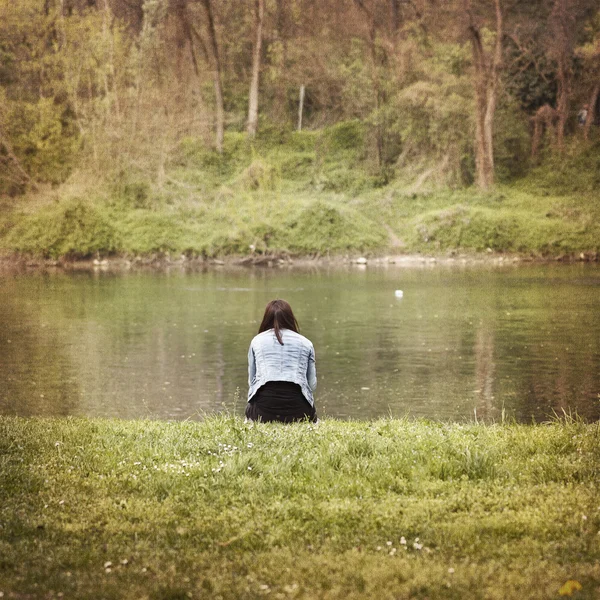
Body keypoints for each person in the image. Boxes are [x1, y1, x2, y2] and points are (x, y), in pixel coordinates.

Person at [246, 299, 317, 423]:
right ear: (290, 318)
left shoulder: (256, 341)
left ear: (266, 318)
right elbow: (312, 385)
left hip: (262, 411)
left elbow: (251, 382)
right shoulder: (306, 343)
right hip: (299, 410)